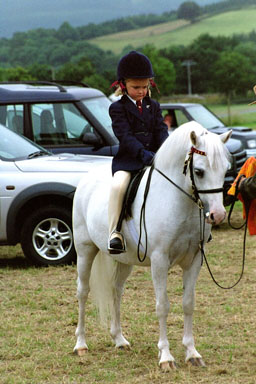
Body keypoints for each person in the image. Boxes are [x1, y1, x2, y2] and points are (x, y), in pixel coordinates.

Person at [108, 50, 169, 254]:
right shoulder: (117, 108)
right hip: (129, 160)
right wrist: (142, 153)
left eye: (145, 87)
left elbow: (161, 131)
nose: (141, 91)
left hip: (154, 158)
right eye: (136, 87)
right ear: (123, 86)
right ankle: (115, 232)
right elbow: (124, 137)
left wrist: (165, 152)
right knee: (118, 186)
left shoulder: (154, 106)